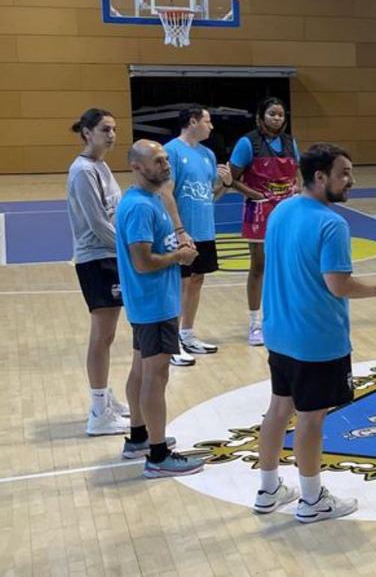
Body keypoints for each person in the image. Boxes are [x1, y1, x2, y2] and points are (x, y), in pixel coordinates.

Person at [253, 143, 376, 523]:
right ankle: (311, 499)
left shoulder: (281, 210)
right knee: (311, 418)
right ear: (320, 177)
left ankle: (268, 490)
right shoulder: (332, 223)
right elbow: (339, 284)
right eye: (344, 174)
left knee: (278, 408)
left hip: (279, 332)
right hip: (316, 339)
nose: (350, 180)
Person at [115, 140, 204, 477]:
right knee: (156, 376)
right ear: (137, 166)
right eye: (157, 160)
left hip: (149, 303)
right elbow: (142, 262)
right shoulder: (139, 207)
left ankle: (139, 436)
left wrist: (179, 242)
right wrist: (179, 258)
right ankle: (157, 455)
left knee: (140, 369)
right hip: (153, 303)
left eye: (166, 158)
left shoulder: (148, 199)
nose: (166, 164)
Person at [67, 108, 131, 436]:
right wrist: (129, 251)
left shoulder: (101, 166)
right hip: (97, 259)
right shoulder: (82, 171)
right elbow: (97, 223)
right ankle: (98, 412)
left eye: (114, 129)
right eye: (105, 129)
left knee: (106, 335)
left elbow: (115, 211)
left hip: (108, 256)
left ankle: (104, 397)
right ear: (87, 132)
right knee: (101, 335)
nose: (111, 135)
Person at [164, 106, 233, 364]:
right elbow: (165, 192)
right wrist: (179, 230)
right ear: (192, 122)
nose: (211, 126)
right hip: (181, 231)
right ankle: (171, 343)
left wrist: (224, 184)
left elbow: (209, 195)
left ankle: (187, 333)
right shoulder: (171, 151)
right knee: (179, 284)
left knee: (196, 281)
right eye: (208, 121)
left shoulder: (207, 155)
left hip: (205, 229)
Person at [229, 97, 300, 346]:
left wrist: (297, 193)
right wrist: (253, 194)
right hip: (259, 209)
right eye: (272, 114)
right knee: (259, 266)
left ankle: (283, 317)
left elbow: (296, 175)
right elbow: (231, 178)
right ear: (261, 117)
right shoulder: (247, 143)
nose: (277, 118)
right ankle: (255, 323)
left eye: (281, 115)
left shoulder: (291, 143)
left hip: (287, 210)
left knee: (288, 264)